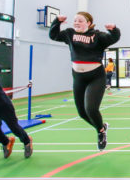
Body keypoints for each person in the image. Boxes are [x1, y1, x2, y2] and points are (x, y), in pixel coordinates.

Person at [50, 12, 120, 150]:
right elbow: (53, 35)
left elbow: (113, 38)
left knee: (91, 109)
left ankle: (100, 132)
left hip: (96, 77)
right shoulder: (69, 34)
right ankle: (102, 126)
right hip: (78, 77)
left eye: (80, 21)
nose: (76, 22)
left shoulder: (97, 36)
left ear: (88, 23)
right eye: (75, 20)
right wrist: (56, 22)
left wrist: (114, 29)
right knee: (81, 112)